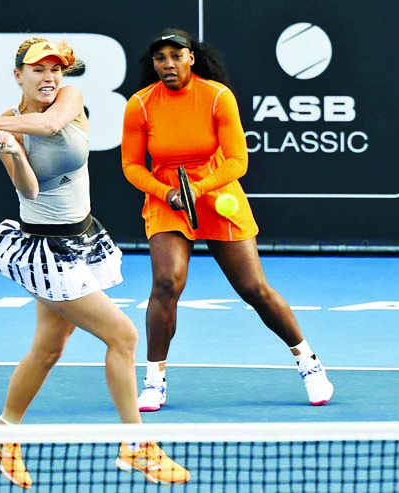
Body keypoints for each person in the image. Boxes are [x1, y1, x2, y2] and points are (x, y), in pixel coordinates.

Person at [0, 37, 190, 488]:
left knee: (48, 349)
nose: (49, 78)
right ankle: (136, 447)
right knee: (122, 335)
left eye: (55, 70)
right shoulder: (8, 124)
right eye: (39, 70)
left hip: (81, 239)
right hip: (46, 254)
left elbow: (49, 127)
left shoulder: (70, 99)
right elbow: (29, 190)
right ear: (18, 76)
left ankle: (3, 433)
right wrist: (6, 145)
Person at [120, 28, 334, 412]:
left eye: (175, 55)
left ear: (191, 58)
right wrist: (167, 192)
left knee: (254, 288)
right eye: (159, 58)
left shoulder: (217, 96)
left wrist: (198, 190)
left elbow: (238, 160)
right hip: (167, 197)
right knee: (167, 283)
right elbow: (132, 165)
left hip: (217, 195)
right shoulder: (141, 104)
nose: (167, 64)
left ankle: (309, 362)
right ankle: (154, 380)